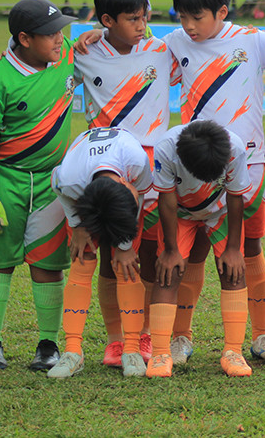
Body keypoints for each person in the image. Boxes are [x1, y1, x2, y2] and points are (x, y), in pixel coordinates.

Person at [163, 0, 265, 364]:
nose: (189, 25)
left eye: (197, 17)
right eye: (182, 16)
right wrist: (92, 37)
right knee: (196, 251)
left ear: (222, 11)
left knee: (249, 249)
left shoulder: (252, 40)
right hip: (194, 165)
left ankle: (263, 334)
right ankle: (180, 337)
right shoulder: (174, 43)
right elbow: (135, 61)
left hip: (248, 163)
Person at [0, 0, 76, 370]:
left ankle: (48, 345)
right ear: (25, 39)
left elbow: (107, 42)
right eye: (51, 33)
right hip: (7, 182)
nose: (60, 38)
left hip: (51, 184)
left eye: (61, 30)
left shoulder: (67, 56)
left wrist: (96, 35)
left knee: (48, 263)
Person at [73, 0, 171, 369]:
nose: (142, 26)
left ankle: (142, 333)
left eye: (145, 17)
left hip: (151, 168)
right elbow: (39, 59)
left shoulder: (162, 50)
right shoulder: (83, 53)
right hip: (104, 166)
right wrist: (7, 51)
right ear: (107, 20)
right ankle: (116, 341)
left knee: (147, 253)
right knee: (111, 255)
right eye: (133, 19)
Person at [147, 120, 255, 378]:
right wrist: (170, 250)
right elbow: (166, 197)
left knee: (233, 271)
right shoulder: (166, 148)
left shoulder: (235, 148)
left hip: (221, 211)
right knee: (168, 273)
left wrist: (233, 248)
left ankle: (233, 352)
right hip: (180, 212)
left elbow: (235, 196)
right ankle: (160, 353)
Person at [47, 127, 153, 378]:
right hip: (84, 191)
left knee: (127, 266)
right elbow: (57, 185)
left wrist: (125, 246)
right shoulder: (69, 179)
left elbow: (139, 196)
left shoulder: (138, 162)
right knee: (82, 260)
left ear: (127, 181)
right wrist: (77, 225)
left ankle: (131, 349)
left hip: (115, 184)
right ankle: (73, 351)